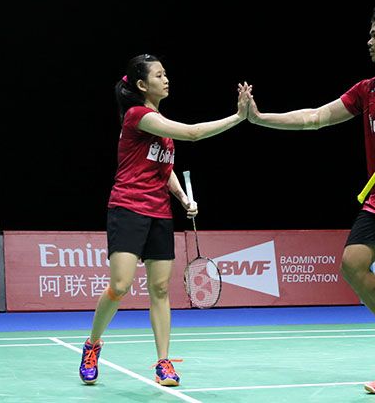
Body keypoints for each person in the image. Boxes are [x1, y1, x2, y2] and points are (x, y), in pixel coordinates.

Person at [247, 5, 375, 394]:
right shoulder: (369, 89)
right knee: (352, 264)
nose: (369, 40)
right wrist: (261, 118)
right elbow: (315, 117)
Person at [79, 53, 251, 386]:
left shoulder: (160, 126)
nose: (166, 79)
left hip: (159, 213)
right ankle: (92, 344)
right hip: (128, 208)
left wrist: (184, 198)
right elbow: (194, 133)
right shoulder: (137, 116)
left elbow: (164, 170)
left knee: (159, 289)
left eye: (166, 73)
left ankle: (163, 362)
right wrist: (239, 117)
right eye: (159, 75)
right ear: (142, 85)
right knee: (119, 286)